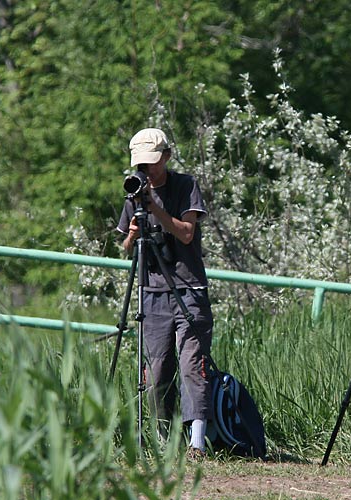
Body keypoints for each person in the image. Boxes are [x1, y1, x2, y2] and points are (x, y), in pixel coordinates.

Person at [117, 127, 214, 456]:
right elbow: (126, 246)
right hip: (153, 289)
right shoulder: (134, 192)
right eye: (142, 165)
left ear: (167, 157)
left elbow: (186, 233)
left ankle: (196, 442)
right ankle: (161, 438)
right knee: (156, 368)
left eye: (153, 163)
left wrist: (155, 208)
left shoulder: (186, 186)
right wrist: (132, 233)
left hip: (188, 287)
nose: (148, 170)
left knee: (191, 363)